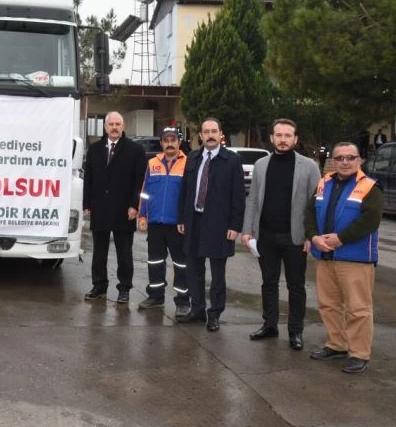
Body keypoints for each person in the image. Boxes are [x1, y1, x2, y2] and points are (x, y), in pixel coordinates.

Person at [242, 119, 321, 350]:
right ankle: (270, 325)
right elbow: (253, 199)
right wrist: (248, 230)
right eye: (279, 135)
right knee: (268, 283)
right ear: (272, 138)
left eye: (288, 135)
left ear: (296, 139)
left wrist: (311, 235)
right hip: (266, 235)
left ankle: (295, 331)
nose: (283, 139)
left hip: (295, 237)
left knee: (296, 286)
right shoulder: (261, 164)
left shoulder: (309, 166)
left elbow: (316, 203)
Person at [305, 142, 382, 374]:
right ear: (333, 161)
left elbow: (371, 220)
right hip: (325, 255)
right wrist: (313, 237)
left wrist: (341, 239)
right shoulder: (323, 183)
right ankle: (337, 344)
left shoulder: (370, 187)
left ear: (359, 160)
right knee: (329, 305)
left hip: (355, 258)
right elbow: (310, 212)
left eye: (350, 158)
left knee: (358, 308)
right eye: (340, 158)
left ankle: (359, 354)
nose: (345, 162)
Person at [177, 117, 245, 332]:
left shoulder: (231, 160)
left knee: (217, 274)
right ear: (201, 135)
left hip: (219, 224)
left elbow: (238, 197)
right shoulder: (193, 158)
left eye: (214, 131)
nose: (210, 135)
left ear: (221, 133)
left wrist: (235, 226)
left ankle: (214, 314)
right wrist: (181, 218)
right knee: (194, 270)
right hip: (194, 222)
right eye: (206, 132)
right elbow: (185, 192)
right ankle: (197, 310)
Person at [82, 111, 147, 304]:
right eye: (111, 124)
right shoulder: (94, 149)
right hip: (100, 208)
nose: (114, 127)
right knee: (99, 252)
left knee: (124, 253)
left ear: (123, 126)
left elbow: (139, 181)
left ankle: (124, 288)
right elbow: (89, 179)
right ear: (105, 127)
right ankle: (99, 286)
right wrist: (87, 204)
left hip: (124, 209)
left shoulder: (135, 150)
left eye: (118, 124)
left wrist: (135, 205)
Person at [136, 127, 190, 317]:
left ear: (178, 142)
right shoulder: (152, 163)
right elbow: (145, 191)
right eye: (166, 140)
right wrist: (142, 215)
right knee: (155, 261)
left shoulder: (188, 163)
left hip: (178, 225)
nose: (169, 143)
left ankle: (183, 301)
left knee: (181, 264)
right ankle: (156, 296)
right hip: (156, 222)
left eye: (173, 140)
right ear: (161, 143)